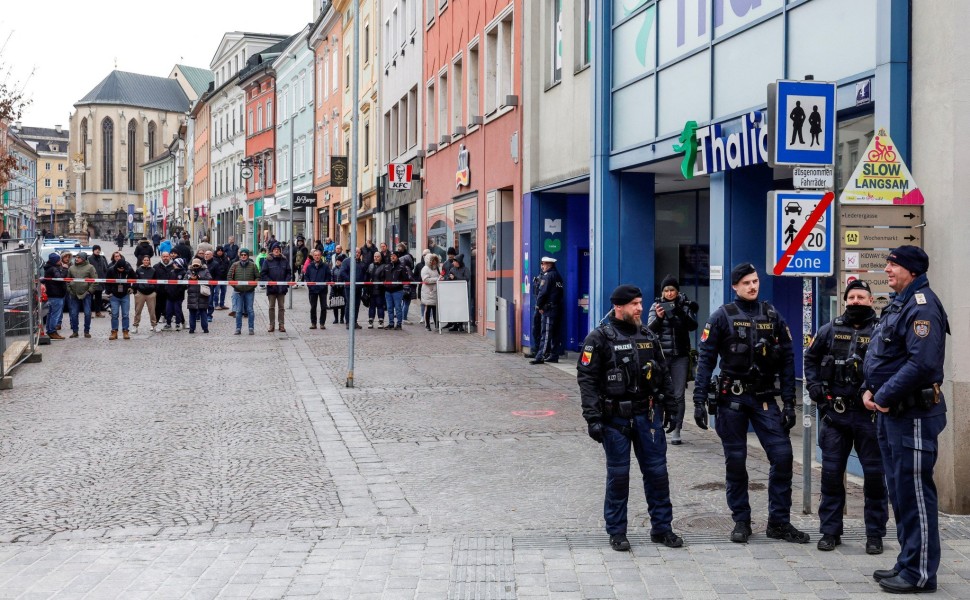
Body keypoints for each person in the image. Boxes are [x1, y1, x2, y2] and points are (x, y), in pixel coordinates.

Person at [692, 262, 809, 545]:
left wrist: (791, 403)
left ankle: (779, 522)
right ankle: (741, 521)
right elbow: (706, 359)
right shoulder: (722, 316)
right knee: (736, 461)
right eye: (746, 283)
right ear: (735, 286)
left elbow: (787, 358)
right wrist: (698, 399)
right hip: (731, 397)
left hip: (765, 398)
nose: (752, 286)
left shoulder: (772, 315)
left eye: (755, 281)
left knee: (782, 456)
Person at [862, 246, 949, 594]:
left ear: (910, 270)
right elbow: (885, 354)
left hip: (912, 414)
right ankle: (908, 561)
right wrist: (869, 389)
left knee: (914, 494)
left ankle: (921, 573)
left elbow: (922, 364)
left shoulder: (923, 306)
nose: (886, 270)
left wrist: (882, 396)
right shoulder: (900, 303)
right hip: (893, 415)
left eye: (892, 265)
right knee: (899, 493)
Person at [578, 284, 684, 552]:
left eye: (640, 302)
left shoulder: (648, 334)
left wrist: (671, 408)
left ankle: (662, 528)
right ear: (618, 307)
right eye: (635, 304)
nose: (640, 308)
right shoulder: (599, 338)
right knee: (619, 476)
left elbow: (663, 374)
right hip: (615, 420)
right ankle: (617, 532)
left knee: (657, 473)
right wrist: (592, 417)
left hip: (648, 416)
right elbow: (587, 380)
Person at [804, 279, 887, 555]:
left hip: (869, 418)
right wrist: (814, 386)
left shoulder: (881, 331)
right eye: (851, 297)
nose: (856, 302)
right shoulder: (829, 330)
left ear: (871, 301)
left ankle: (875, 535)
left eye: (862, 297)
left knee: (875, 479)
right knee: (830, 476)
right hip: (835, 417)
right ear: (845, 301)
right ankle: (830, 531)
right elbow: (810, 358)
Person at [647, 276, 699, 445]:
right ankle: (660, 425)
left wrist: (679, 312)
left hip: (680, 356)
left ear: (677, 291)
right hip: (661, 356)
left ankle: (677, 429)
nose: (669, 293)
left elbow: (692, 326)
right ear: (662, 292)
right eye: (666, 290)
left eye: (672, 290)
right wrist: (660, 317)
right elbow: (648, 331)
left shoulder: (685, 305)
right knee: (660, 394)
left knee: (678, 395)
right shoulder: (656, 307)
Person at [529, 257, 564, 363]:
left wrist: (538, 306)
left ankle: (540, 356)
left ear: (549, 264)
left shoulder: (548, 276)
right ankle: (554, 355)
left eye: (543, 264)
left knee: (546, 333)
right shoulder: (558, 276)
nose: (542, 266)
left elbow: (543, 293)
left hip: (549, 309)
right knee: (555, 333)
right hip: (557, 307)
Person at [260, 244, 292, 333]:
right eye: (275, 249)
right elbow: (263, 274)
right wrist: (270, 282)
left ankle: (281, 325)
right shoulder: (267, 261)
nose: (276, 251)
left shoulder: (284, 260)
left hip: (282, 288)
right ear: (272, 250)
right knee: (271, 307)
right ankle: (271, 325)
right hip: (271, 288)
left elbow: (289, 273)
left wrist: (285, 283)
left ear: (280, 251)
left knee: (281, 307)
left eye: (278, 249)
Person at [228, 248, 259, 335]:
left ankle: (251, 328)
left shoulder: (253, 265)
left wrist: (253, 285)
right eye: (242, 255)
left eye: (245, 255)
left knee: (250, 310)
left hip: (249, 291)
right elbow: (229, 276)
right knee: (238, 311)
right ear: (240, 256)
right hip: (238, 291)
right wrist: (235, 286)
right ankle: (238, 328)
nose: (243, 256)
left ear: (248, 256)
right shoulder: (235, 265)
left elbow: (257, 276)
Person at [66, 252, 97, 338]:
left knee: (87, 313)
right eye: (76, 257)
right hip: (74, 294)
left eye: (79, 257)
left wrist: (89, 291)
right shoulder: (71, 268)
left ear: (83, 259)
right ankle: (75, 331)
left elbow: (95, 280)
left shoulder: (90, 267)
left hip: (86, 294)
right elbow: (67, 280)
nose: (76, 259)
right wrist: (70, 290)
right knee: (74, 314)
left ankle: (86, 331)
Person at [107, 257, 135, 339]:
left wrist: (132, 288)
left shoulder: (129, 270)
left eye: (123, 269)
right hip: (114, 295)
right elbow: (106, 282)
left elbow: (136, 279)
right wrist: (109, 291)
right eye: (119, 269)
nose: (121, 270)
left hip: (125, 295)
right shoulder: (111, 270)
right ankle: (114, 331)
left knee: (125, 315)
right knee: (114, 314)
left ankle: (125, 331)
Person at [382, 251, 412, 330]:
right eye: (391, 256)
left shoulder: (401, 267)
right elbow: (383, 277)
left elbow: (406, 279)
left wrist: (399, 283)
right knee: (389, 308)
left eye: (394, 256)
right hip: (388, 291)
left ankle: (399, 324)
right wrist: (385, 284)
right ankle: (391, 323)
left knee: (398, 308)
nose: (392, 257)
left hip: (397, 291)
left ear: (397, 257)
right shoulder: (387, 266)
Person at [304, 249, 332, 330]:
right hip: (312, 290)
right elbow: (306, 277)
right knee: (313, 307)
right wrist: (310, 286)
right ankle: (313, 323)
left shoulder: (325, 266)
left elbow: (328, 277)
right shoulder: (310, 266)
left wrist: (324, 285)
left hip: (323, 290)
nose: (317, 257)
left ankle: (322, 323)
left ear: (321, 256)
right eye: (315, 255)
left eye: (318, 255)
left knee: (323, 307)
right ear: (313, 256)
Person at [132, 255, 159, 334]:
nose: (146, 261)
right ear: (142, 261)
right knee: (137, 311)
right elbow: (135, 281)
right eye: (145, 260)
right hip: (140, 293)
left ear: (149, 261)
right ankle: (135, 326)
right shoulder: (138, 270)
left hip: (151, 293)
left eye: (148, 260)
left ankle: (154, 325)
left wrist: (155, 292)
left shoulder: (153, 270)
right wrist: (135, 291)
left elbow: (156, 281)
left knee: (152, 311)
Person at [43, 253, 68, 340]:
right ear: (55, 261)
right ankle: (52, 331)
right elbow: (60, 279)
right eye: (59, 260)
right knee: (55, 314)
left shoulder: (49, 268)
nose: (60, 261)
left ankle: (50, 330)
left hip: (52, 294)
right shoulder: (53, 269)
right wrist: (65, 269)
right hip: (56, 295)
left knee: (51, 313)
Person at [185, 258, 212, 334]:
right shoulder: (189, 271)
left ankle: (205, 328)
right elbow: (184, 281)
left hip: (202, 294)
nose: (196, 266)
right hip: (192, 294)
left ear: (200, 264)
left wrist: (200, 277)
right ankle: (192, 328)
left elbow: (210, 279)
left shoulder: (205, 271)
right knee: (192, 313)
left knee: (203, 312)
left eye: (197, 265)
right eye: (194, 265)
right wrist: (190, 278)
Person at [165, 258, 187, 331]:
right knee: (168, 310)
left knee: (178, 310)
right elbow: (167, 282)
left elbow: (184, 285)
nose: (173, 264)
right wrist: (167, 290)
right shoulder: (171, 272)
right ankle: (168, 323)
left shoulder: (183, 273)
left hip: (178, 296)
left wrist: (179, 291)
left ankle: (178, 323)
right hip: (170, 295)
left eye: (174, 263)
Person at [366, 251, 387, 329]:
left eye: (378, 256)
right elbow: (367, 277)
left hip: (380, 289)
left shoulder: (384, 266)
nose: (376, 258)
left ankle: (381, 321)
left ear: (381, 257)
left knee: (380, 306)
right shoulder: (370, 266)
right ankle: (370, 320)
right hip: (371, 290)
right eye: (375, 256)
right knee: (371, 306)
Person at [420, 254, 441, 331]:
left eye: (435, 260)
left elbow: (439, 276)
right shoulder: (425, 269)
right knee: (428, 308)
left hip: (435, 291)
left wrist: (439, 278)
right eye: (433, 260)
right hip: (428, 291)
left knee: (435, 309)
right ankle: (427, 325)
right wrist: (436, 279)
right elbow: (425, 280)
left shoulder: (437, 268)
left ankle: (436, 324)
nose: (434, 262)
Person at [207, 248, 230, 313]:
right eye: (218, 251)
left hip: (224, 277)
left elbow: (228, 266)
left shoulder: (225, 258)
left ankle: (222, 304)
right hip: (217, 279)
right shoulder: (214, 259)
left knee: (223, 291)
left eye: (221, 251)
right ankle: (216, 304)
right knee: (216, 292)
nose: (220, 252)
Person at [89, 245, 109, 318]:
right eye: (96, 249)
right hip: (91, 282)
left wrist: (104, 278)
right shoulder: (89, 259)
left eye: (99, 249)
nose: (97, 250)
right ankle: (89, 313)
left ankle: (98, 312)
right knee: (90, 299)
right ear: (93, 250)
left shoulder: (102, 258)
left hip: (100, 281)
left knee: (98, 298)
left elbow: (105, 269)